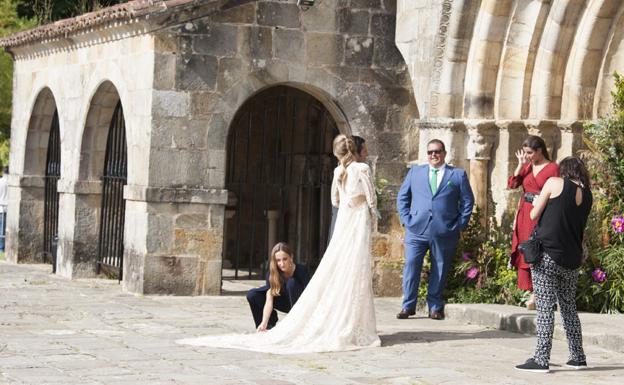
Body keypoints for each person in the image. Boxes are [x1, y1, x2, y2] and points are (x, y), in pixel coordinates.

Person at [178, 134, 380, 353]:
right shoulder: (361, 170)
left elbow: (334, 201)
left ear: (337, 153)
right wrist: (370, 212)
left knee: (343, 267)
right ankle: (353, 322)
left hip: (344, 221)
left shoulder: (337, 172)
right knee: (355, 270)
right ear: (353, 150)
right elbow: (371, 198)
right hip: (357, 221)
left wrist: (350, 203)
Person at [515, 156, 592, 373]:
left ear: (563, 170)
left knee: (545, 307)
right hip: (572, 258)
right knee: (568, 307)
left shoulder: (553, 183)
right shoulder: (587, 195)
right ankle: (578, 357)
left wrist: (539, 198)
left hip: (547, 254)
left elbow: (533, 213)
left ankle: (541, 359)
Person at [396, 139, 474, 320]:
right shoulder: (415, 172)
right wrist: (406, 220)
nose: (434, 155)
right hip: (416, 229)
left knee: (440, 267)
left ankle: (435, 307)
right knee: (411, 265)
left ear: (444, 153)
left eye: (437, 151)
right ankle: (408, 306)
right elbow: (402, 198)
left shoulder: (457, 175)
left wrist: (459, 224)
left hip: (444, 230)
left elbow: (467, 201)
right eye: (430, 152)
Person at [508, 136, 559, 309]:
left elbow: (557, 190)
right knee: (526, 249)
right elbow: (513, 184)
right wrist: (520, 165)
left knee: (540, 250)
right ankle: (533, 291)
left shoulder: (553, 168)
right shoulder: (528, 166)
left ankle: (539, 293)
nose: (527, 156)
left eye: (530, 153)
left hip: (542, 212)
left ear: (540, 151)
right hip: (525, 213)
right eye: (525, 153)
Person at [246, 242, 310, 331]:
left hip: (300, 305)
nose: (282, 264)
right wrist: (264, 322)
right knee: (252, 294)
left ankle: (296, 322)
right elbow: (269, 300)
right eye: (278, 260)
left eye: (285, 259)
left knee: (292, 283)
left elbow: (310, 296)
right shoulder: (272, 274)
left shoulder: (302, 271)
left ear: (291, 257)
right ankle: (267, 326)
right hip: (284, 302)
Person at [328, 135, 368, 242]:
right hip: (343, 219)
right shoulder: (340, 171)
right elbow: (335, 200)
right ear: (356, 152)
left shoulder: (362, 171)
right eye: (364, 151)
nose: (366, 154)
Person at [0, 166, 8, 252]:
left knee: (1, 230)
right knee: (3, 230)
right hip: (7, 208)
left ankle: (1, 248)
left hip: (1, 207)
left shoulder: (0, 182)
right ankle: (2, 248)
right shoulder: (9, 183)